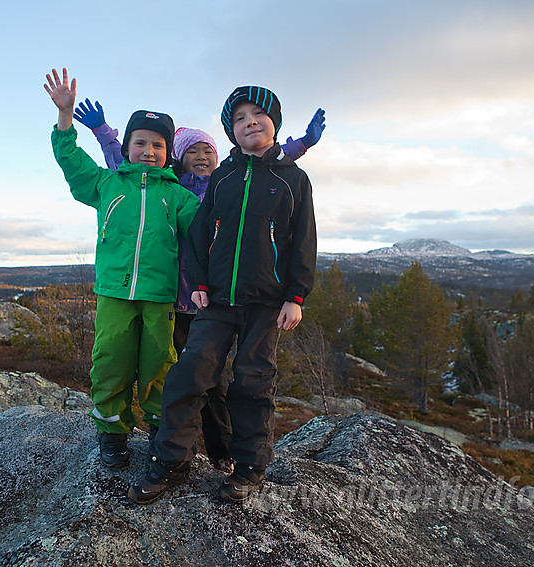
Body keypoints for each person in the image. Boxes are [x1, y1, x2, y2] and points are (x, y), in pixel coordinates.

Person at [72, 100, 326, 475]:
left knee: (217, 385)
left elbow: (264, 162)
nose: (203, 156)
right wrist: (102, 131)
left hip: (216, 298)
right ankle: (164, 444)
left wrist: (299, 145)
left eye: (207, 149)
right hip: (175, 299)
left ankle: (222, 451)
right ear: (179, 158)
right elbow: (123, 162)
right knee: (178, 375)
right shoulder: (172, 187)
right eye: (192, 151)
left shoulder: (224, 182)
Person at [128, 85, 317, 504]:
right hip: (215, 301)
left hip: (267, 303)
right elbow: (197, 236)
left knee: (253, 381)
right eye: (239, 118)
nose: (250, 122)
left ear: (275, 123)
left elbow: (304, 241)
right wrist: (196, 283)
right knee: (190, 373)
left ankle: (249, 467)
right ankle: (171, 460)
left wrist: (296, 296)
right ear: (231, 131)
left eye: (258, 115)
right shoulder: (222, 178)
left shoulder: (293, 180)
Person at [44, 68, 200, 469]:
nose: (149, 151)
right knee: (110, 360)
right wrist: (65, 117)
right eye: (140, 143)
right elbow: (73, 163)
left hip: (158, 294)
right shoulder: (107, 184)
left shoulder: (177, 195)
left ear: (169, 153)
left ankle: (157, 431)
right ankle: (112, 433)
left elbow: (204, 231)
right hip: (114, 291)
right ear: (127, 146)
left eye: (158, 145)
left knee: (157, 364)